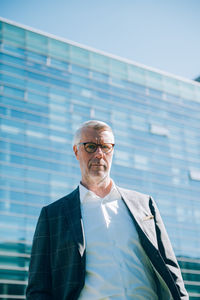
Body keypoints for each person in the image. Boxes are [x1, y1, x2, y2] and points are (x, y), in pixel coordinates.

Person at [26, 120, 188, 300]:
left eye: (105, 147)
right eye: (90, 147)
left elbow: (172, 272)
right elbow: (38, 289)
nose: (99, 154)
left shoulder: (145, 204)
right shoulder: (53, 215)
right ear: (76, 151)